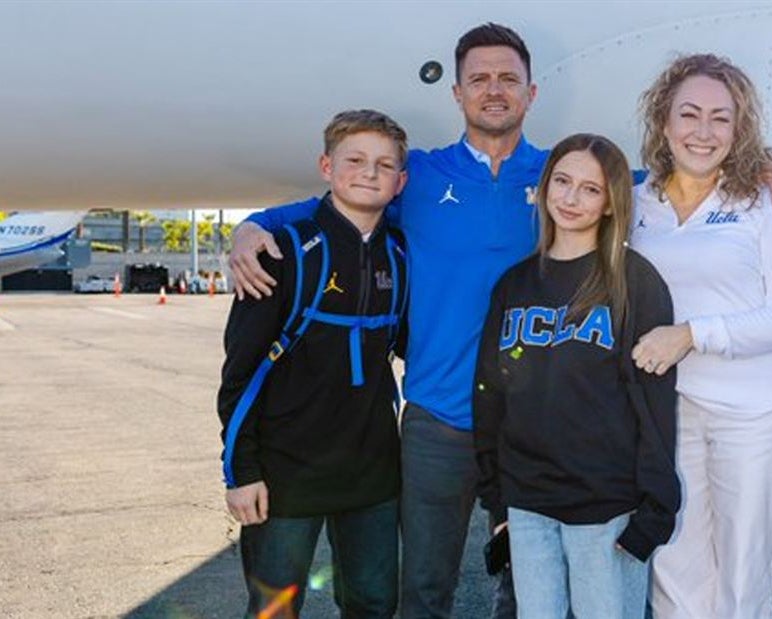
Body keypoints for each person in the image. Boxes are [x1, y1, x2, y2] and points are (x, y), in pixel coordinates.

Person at [228, 23, 540, 618]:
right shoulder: (419, 174)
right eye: (478, 78)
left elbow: (656, 189)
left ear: (531, 92)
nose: (493, 89)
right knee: (422, 589)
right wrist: (254, 225)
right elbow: (332, 202)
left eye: (508, 78)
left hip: (531, 420)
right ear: (457, 93)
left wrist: (754, 171)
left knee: (532, 586)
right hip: (436, 419)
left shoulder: (559, 174)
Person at [627, 54, 772, 619]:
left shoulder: (767, 202)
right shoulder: (638, 203)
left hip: (754, 414)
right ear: (663, 122)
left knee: (742, 578)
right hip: (670, 411)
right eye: (689, 115)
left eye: (720, 119)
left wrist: (692, 334)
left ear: (740, 130)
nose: (702, 133)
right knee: (674, 570)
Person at [473, 133, 679, 618]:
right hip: (528, 505)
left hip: (607, 508)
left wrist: (655, 507)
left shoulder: (634, 281)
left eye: (590, 189)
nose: (571, 197)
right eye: (562, 181)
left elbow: (654, 403)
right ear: (545, 188)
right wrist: (497, 502)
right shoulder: (515, 284)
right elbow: (489, 392)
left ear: (611, 203)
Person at [217, 109, 409, 617]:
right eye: (356, 159)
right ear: (327, 166)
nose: (369, 172)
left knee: (373, 603)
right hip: (284, 474)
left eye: (385, 164)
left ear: (400, 181)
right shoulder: (281, 253)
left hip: (372, 474)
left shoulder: (402, 256)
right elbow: (239, 375)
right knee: (273, 609)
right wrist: (240, 471)